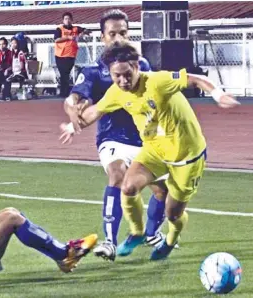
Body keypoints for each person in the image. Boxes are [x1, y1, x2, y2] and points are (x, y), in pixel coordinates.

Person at [65, 42, 240, 260]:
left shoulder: (158, 81)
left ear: (137, 66)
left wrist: (218, 95)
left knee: (173, 214)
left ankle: (170, 240)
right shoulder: (116, 92)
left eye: (127, 74)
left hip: (187, 157)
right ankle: (137, 232)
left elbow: (195, 78)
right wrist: (73, 124)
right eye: (116, 76)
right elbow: (93, 113)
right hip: (155, 151)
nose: (122, 81)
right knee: (127, 187)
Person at [61, 10, 168, 262]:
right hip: (113, 138)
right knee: (117, 175)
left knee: (163, 191)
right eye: (112, 33)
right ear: (103, 36)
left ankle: (151, 233)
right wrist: (72, 110)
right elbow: (74, 97)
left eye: (123, 32)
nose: (118, 37)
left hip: (145, 139)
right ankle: (110, 241)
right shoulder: (93, 71)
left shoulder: (141, 65)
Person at [54, 12, 90, 98]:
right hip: (60, 56)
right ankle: (64, 92)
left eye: (69, 19)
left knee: (67, 73)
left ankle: (65, 92)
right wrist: (68, 37)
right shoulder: (60, 29)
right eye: (66, 19)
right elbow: (56, 40)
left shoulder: (75, 28)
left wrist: (83, 33)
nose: (68, 20)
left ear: (72, 20)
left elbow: (86, 30)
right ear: (63, 20)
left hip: (71, 55)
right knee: (63, 74)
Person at [0, 37, 13, 101]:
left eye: (3, 44)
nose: (1, 46)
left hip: (10, 71)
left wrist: (7, 69)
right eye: (0, 44)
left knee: (7, 77)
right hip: (1, 72)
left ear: (6, 45)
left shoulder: (10, 53)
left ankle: (6, 94)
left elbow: (13, 65)